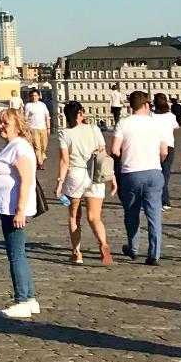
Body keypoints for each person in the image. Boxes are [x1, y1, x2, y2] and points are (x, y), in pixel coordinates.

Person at [0, 106, 40, 318]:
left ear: (18, 127)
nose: (1, 126)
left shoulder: (19, 147)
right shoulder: (12, 146)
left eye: (6, 123)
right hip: (8, 208)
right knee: (19, 254)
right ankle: (30, 298)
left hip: (14, 209)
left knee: (16, 255)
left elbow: (26, 180)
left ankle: (22, 300)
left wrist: (20, 210)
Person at [111, 89, 171, 264]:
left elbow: (114, 150)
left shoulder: (123, 123)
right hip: (154, 172)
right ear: (145, 105)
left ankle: (134, 247)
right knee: (154, 215)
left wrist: (124, 157)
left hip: (131, 173)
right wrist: (157, 161)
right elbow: (164, 151)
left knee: (131, 213)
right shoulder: (156, 124)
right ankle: (154, 254)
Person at [54, 100, 112, 266]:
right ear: (80, 113)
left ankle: (77, 253)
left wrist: (60, 182)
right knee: (94, 217)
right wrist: (112, 176)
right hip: (95, 174)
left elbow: (64, 160)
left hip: (76, 175)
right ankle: (103, 244)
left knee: (74, 216)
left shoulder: (65, 134)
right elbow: (103, 154)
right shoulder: (94, 129)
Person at [153, 92, 176, 207]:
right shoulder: (170, 116)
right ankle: (164, 200)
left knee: (156, 173)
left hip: (154, 146)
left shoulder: (151, 115)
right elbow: (176, 126)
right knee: (165, 174)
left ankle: (159, 199)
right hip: (168, 145)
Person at [22, 89, 51, 167]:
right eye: (32, 96)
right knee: (37, 146)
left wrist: (48, 128)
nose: (34, 97)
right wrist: (26, 128)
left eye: (35, 95)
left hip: (43, 127)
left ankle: (42, 154)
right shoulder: (28, 105)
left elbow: (47, 116)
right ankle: (40, 163)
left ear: (39, 96)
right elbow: (25, 117)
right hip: (33, 128)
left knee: (44, 145)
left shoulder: (42, 105)